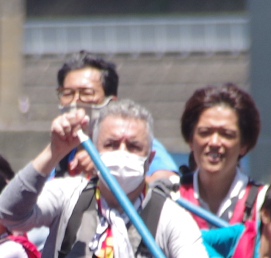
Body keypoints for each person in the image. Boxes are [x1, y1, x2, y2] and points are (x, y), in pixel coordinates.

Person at [0, 100, 227, 258]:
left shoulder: (171, 216)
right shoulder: (67, 193)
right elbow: (9, 214)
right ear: (93, 151)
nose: (122, 153)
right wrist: (54, 151)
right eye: (111, 145)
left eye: (134, 146)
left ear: (150, 159)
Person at [52, 51, 179, 184]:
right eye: (67, 93)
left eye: (86, 93)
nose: (76, 101)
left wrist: (106, 170)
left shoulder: (134, 142)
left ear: (110, 101)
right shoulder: (60, 153)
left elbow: (169, 182)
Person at [177, 83, 264, 228]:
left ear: (244, 145)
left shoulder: (264, 204)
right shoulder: (169, 197)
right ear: (190, 140)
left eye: (226, 134)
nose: (214, 142)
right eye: (205, 132)